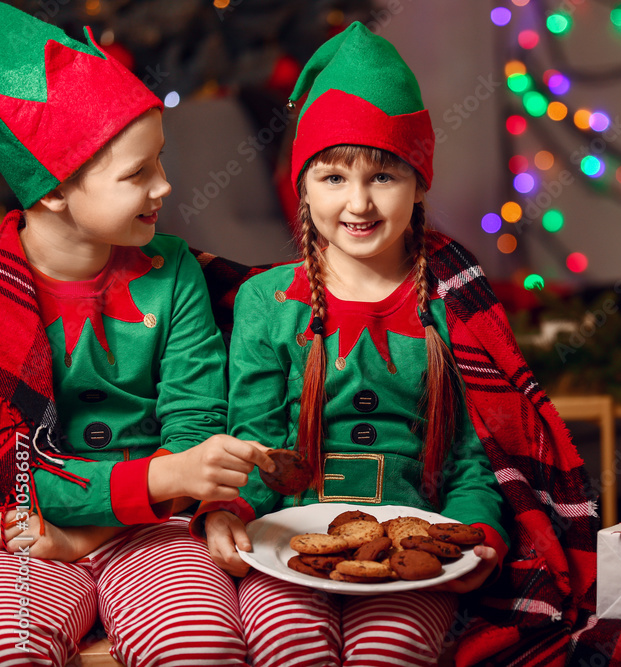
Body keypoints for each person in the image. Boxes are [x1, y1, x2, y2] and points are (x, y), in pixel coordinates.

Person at [197, 22, 510, 666]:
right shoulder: (268, 304)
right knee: (286, 646)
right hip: (285, 543)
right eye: (333, 177)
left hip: (414, 550)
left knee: (387, 654)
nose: (359, 202)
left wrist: (477, 534)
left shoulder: (453, 299)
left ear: (420, 181)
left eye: (384, 176)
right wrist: (227, 511)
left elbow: (473, 458)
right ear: (302, 186)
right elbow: (254, 440)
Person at [0, 6, 272, 665]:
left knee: (202, 644)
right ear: (53, 190)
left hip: (158, 527)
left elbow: (193, 422)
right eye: (136, 174)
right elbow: (14, 470)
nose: (165, 185)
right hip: (25, 533)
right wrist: (165, 474)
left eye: (161, 161)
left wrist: (160, 492)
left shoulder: (172, 270)